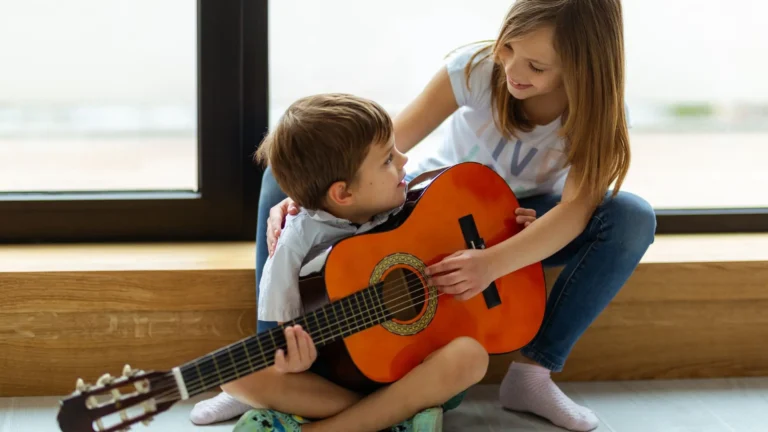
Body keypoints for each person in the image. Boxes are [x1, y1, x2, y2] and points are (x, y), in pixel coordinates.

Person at [251, 0, 657, 431]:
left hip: (518, 228)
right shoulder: (475, 69)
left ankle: (532, 374)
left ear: (584, 68)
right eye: (508, 48)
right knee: (287, 172)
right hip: (431, 212)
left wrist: (493, 262)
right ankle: (273, 351)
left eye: (537, 66)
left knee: (630, 217)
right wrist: (312, 193)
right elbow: (388, 140)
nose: (514, 70)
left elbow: (573, 214)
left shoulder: (600, 118)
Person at [193, 93, 497, 432]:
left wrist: (508, 228)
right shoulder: (293, 245)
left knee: (470, 356)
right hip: (341, 378)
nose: (404, 159)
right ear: (343, 194)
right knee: (236, 377)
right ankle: (395, 420)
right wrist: (295, 361)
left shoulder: (405, 198)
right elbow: (280, 339)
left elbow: (467, 218)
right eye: (387, 160)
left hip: (418, 367)